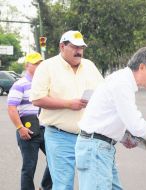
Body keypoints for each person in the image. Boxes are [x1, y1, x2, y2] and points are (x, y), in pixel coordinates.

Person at [75, 47, 146, 190]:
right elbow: (138, 127)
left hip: (100, 148)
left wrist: (123, 136)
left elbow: (109, 117)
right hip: (96, 149)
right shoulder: (122, 84)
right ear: (142, 67)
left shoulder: (122, 80)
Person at [30, 30, 104, 190]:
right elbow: (36, 99)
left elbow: (104, 92)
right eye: (74, 47)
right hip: (60, 137)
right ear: (62, 46)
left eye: (81, 47)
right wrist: (68, 104)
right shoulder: (47, 67)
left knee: (95, 184)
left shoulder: (89, 66)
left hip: (89, 137)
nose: (79, 51)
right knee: (63, 185)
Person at [7, 52, 52, 190]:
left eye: (41, 63)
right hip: (27, 130)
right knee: (29, 167)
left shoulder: (46, 84)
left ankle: (46, 187)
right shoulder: (20, 84)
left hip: (46, 129)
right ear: (27, 65)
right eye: (36, 63)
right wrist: (20, 128)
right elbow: (11, 108)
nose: (39, 66)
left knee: (55, 161)